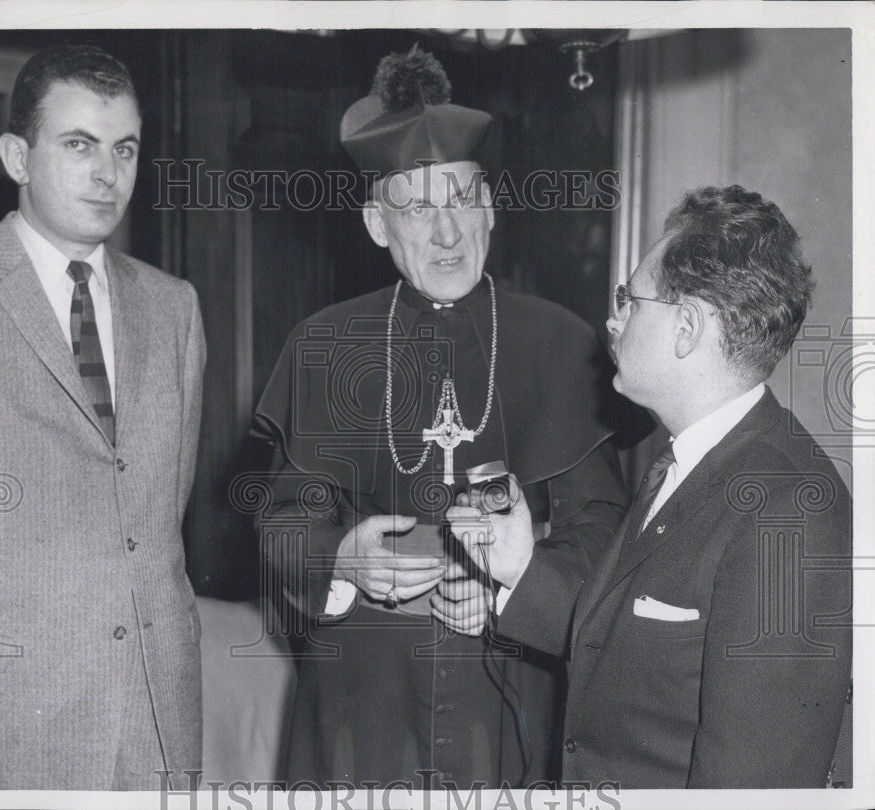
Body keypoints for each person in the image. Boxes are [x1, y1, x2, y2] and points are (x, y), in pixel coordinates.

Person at [252, 46, 640, 789]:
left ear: (490, 206)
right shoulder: (325, 344)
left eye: (462, 199)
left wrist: (509, 588)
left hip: (510, 682)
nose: (448, 233)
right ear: (375, 224)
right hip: (363, 689)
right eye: (418, 209)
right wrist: (342, 558)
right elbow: (282, 523)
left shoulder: (563, 343)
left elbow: (603, 532)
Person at [448, 185, 853, 788]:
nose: (613, 320)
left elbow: (753, 788)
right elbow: (643, 655)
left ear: (687, 328)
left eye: (630, 301)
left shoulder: (785, 510)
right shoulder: (685, 460)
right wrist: (519, 570)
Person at [0, 44, 206, 789]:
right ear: (17, 156)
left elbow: (157, 518)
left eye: (124, 149)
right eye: (78, 145)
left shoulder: (175, 308)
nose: (108, 174)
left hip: (154, 725)